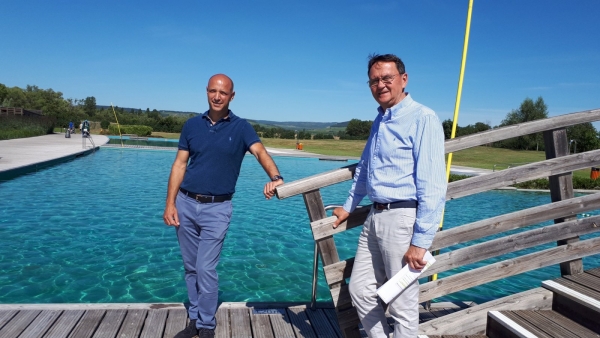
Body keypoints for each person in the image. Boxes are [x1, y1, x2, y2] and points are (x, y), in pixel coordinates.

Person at [332, 54, 447, 338]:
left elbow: (433, 185)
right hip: (375, 215)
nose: (380, 85)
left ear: (403, 79)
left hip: (402, 218)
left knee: (402, 303)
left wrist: (420, 242)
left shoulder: (424, 118)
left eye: (387, 78)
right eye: (374, 80)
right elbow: (365, 167)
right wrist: (349, 206)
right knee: (360, 290)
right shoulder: (380, 119)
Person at [163, 74, 284, 338]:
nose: (217, 96)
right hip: (185, 203)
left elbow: (261, 152)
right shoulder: (192, 125)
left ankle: (206, 324)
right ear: (206, 92)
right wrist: (170, 203)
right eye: (212, 91)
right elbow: (179, 164)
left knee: (206, 268)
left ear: (232, 96)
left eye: (223, 92)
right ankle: (194, 318)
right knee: (191, 267)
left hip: (217, 209)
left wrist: (276, 178)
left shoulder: (241, 128)